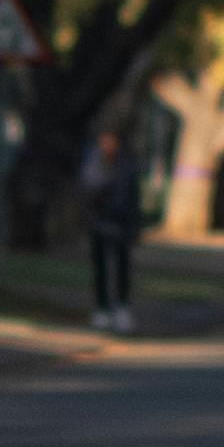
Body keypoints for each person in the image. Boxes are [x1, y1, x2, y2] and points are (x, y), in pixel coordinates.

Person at [79, 124, 142, 336]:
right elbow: (88, 190)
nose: (108, 145)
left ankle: (121, 308)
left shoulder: (126, 166)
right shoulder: (94, 164)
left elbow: (133, 198)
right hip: (100, 222)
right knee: (100, 268)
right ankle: (102, 308)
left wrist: (134, 225)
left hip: (122, 224)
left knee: (122, 267)